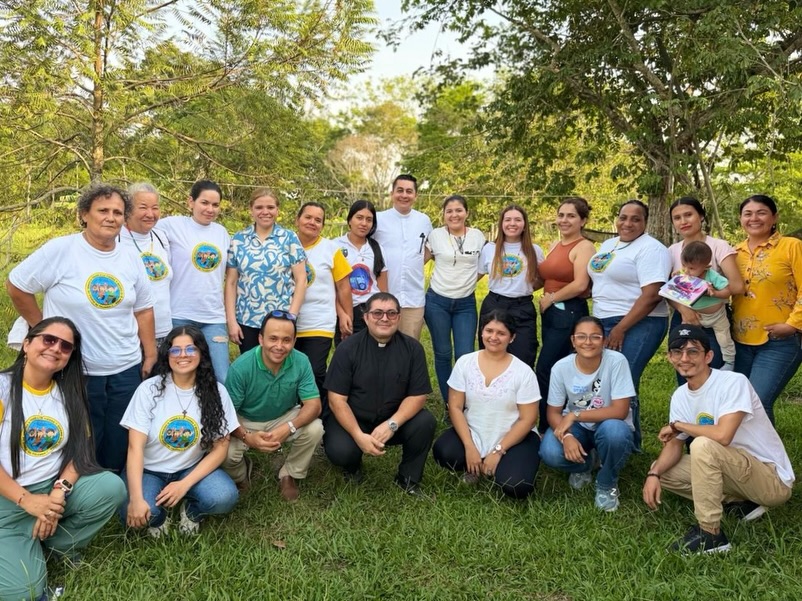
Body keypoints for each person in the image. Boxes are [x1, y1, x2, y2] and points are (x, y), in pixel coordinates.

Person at [6, 184, 156, 472]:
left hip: (126, 365)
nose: (110, 217)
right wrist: (43, 330)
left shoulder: (130, 257)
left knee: (120, 433)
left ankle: (114, 482)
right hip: (77, 367)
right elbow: (17, 286)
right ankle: (80, 482)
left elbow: (144, 309)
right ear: (85, 214)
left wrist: (149, 354)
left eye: (117, 212)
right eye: (103, 210)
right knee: (84, 434)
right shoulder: (61, 250)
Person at [0, 318, 126, 601]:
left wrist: (59, 492)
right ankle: (24, 544)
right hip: (7, 499)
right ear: (26, 344)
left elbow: (81, 451)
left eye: (66, 346)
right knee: (25, 593)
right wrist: (26, 500)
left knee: (111, 487)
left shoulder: (69, 392)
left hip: (49, 487)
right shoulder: (2, 388)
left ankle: (56, 546)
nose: (56, 348)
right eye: (48, 339)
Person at [642, 325, 794, 554]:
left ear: (708, 356)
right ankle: (743, 503)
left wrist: (678, 426)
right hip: (735, 470)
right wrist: (653, 475)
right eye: (677, 352)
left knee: (703, 445)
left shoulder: (733, 382)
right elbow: (674, 444)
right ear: (670, 357)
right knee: (663, 470)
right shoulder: (680, 396)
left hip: (771, 479)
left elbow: (723, 435)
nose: (685, 358)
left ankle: (711, 534)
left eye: (693, 351)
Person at [120, 326, 239, 537]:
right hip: (149, 469)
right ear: (167, 355)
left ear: (201, 353)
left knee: (224, 497)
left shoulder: (216, 391)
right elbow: (134, 447)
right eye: (175, 350)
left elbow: (221, 447)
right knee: (136, 514)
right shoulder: (149, 390)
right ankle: (159, 517)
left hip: (189, 467)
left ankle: (192, 511)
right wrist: (136, 499)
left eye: (190, 349)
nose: (183, 355)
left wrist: (185, 484)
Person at [323, 293, 436, 495]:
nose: (385, 318)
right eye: (377, 313)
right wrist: (358, 435)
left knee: (425, 421)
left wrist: (392, 424)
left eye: (391, 313)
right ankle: (352, 466)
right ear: (366, 317)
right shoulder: (347, 349)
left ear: (399, 318)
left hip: (393, 421)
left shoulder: (413, 349)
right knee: (341, 451)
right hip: (354, 419)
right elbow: (336, 400)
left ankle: (408, 478)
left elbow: (418, 396)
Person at [587, 200, 670, 448]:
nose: (628, 223)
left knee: (621, 382)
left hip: (639, 322)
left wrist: (621, 328)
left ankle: (624, 443)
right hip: (603, 319)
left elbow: (652, 295)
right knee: (605, 380)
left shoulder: (651, 249)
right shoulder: (609, 245)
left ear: (645, 222)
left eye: (636, 219)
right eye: (623, 217)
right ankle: (623, 440)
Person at [432, 310, 540, 499]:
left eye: (501, 333)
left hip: (513, 438)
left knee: (516, 486)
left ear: (512, 337)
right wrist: (469, 446)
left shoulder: (523, 372)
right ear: (481, 333)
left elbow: (528, 419)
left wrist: (498, 451)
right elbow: (455, 407)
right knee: (444, 452)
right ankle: (475, 464)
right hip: (474, 431)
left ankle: (500, 465)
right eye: (489, 331)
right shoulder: (465, 363)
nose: (493, 337)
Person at [223, 311, 323, 502]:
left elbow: (314, 405)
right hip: (245, 419)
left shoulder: (301, 361)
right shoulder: (241, 367)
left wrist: (289, 427)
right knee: (224, 452)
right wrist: (247, 437)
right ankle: (241, 476)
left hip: (283, 417)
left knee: (315, 428)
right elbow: (227, 414)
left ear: (294, 341)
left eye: (286, 340)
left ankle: (289, 474)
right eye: (273, 338)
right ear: (261, 339)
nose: (279, 346)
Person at [538, 317, 636, 512]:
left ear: (604, 340)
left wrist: (575, 415)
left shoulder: (617, 361)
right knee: (549, 451)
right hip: (577, 428)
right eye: (581, 337)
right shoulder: (561, 367)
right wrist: (566, 437)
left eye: (595, 337)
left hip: (609, 422)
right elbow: (553, 412)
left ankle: (607, 483)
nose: (588, 342)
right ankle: (587, 463)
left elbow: (620, 410)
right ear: (573, 341)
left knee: (616, 433)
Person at [731, 194, 802, 424]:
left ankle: (768, 449)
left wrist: (792, 325)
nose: (754, 218)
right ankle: (740, 447)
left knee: (758, 402)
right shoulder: (734, 252)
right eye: (748, 214)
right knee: (738, 403)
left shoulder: (791, 246)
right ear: (741, 219)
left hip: (779, 341)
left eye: (761, 212)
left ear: (774, 217)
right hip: (739, 341)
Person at [160, 180, 231, 383]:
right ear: (191, 202)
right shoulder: (171, 225)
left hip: (213, 317)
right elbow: (139, 231)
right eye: (204, 203)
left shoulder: (222, 233)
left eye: (215, 205)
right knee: (178, 375)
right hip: (179, 315)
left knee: (222, 377)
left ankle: (215, 406)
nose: (210, 209)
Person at [535, 197, 596, 431]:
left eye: (571, 216)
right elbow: (546, 277)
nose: (564, 220)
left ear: (583, 220)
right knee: (555, 367)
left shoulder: (584, 247)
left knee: (546, 368)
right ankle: (557, 419)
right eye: (561, 215)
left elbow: (580, 284)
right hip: (551, 313)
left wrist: (551, 298)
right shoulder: (555, 244)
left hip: (568, 311)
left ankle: (546, 427)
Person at [226, 187, 307, 354]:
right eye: (259, 207)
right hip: (247, 319)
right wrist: (232, 321)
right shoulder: (238, 240)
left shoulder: (289, 238)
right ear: (251, 210)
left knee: (278, 365)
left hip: (280, 319)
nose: (265, 212)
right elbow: (231, 282)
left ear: (277, 210)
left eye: (270, 207)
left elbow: (301, 280)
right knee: (251, 366)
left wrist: (291, 316)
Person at [424, 194, 486, 411]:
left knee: (465, 354)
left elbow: (485, 264)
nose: (454, 215)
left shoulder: (478, 236)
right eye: (449, 211)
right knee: (442, 353)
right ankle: (450, 403)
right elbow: (417, 261)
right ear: (443, 215)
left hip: (465, 304)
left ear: (466, 212)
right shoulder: (436, 235)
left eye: (459, 210)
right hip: (437, 302)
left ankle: (465, 401)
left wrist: (468, 282)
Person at [668, 196, 744, 369]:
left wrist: (709, 291)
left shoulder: (718, 246)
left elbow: (737, 286)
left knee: (713, 369)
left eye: (688, 215)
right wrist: (684, 310)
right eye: (677, 218)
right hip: (684, 317)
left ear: (701, 216)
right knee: (685, 369)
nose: (683, 221)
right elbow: (667, 290)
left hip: (714, 315)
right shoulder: (672, 251)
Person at [294, 202, 352, 409]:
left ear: (323, 225)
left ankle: (319, 414)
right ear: (297, 220)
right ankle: (292, 414)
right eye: (308, 217)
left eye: (318, 220)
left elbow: (343, 288)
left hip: (319, 320)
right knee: (290, 370)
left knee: (315, 370)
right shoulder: (285, 245)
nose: (312, 222)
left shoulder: (331, 249)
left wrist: (346, 316)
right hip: (288, 321)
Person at [478, 204, 544, 369]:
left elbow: (542, 279)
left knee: (524, 356)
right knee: (491, 354)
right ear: (501, 224)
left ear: (524, 224)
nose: (512, 223)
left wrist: (522, 289)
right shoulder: (490, 249)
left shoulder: (535, 250)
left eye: (517, 220)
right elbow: (475, 276)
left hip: (522, 307)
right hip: (494, 304)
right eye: (507, 220)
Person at [374, 174, 433, 339]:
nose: (404, 195)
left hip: (413, 300)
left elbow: (431, 248)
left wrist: (414, 262)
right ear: (392, 193)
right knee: (381, 346)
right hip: (383, 297)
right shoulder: (378, 219)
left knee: (409, 347)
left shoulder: (424, 221)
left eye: (409, 191)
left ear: (415, 195)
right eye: (400, 190)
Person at [122, 182, 173, 342]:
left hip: (164, 331)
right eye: (143, 207)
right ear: (128, 209)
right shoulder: (116, 239)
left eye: (155, 208)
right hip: (131, 335)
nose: (150, 214)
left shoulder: (161, 237)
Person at [334, 199, 388, 343]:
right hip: (346, 311)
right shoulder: (335, 246)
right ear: (350, 220)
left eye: (369, 220)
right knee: (347, 353)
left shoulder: (377, 249)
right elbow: (331, 288)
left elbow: (383, 289)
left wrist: (382, 315)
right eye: (359, 217)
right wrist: (342, 314)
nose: (364, 223)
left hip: (373, 312)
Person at [677, 241, 735, 370]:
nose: (687, 271)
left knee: (724, 339)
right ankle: (687, 359)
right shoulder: (685, 274)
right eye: (684, 266)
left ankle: (729, 362)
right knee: (687, 337)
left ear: (706, 266)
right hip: (695, 316)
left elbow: (727, 291)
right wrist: (676, 277)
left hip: (717, 317)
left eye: (691, 268)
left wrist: (715, 293)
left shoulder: (712, 276)